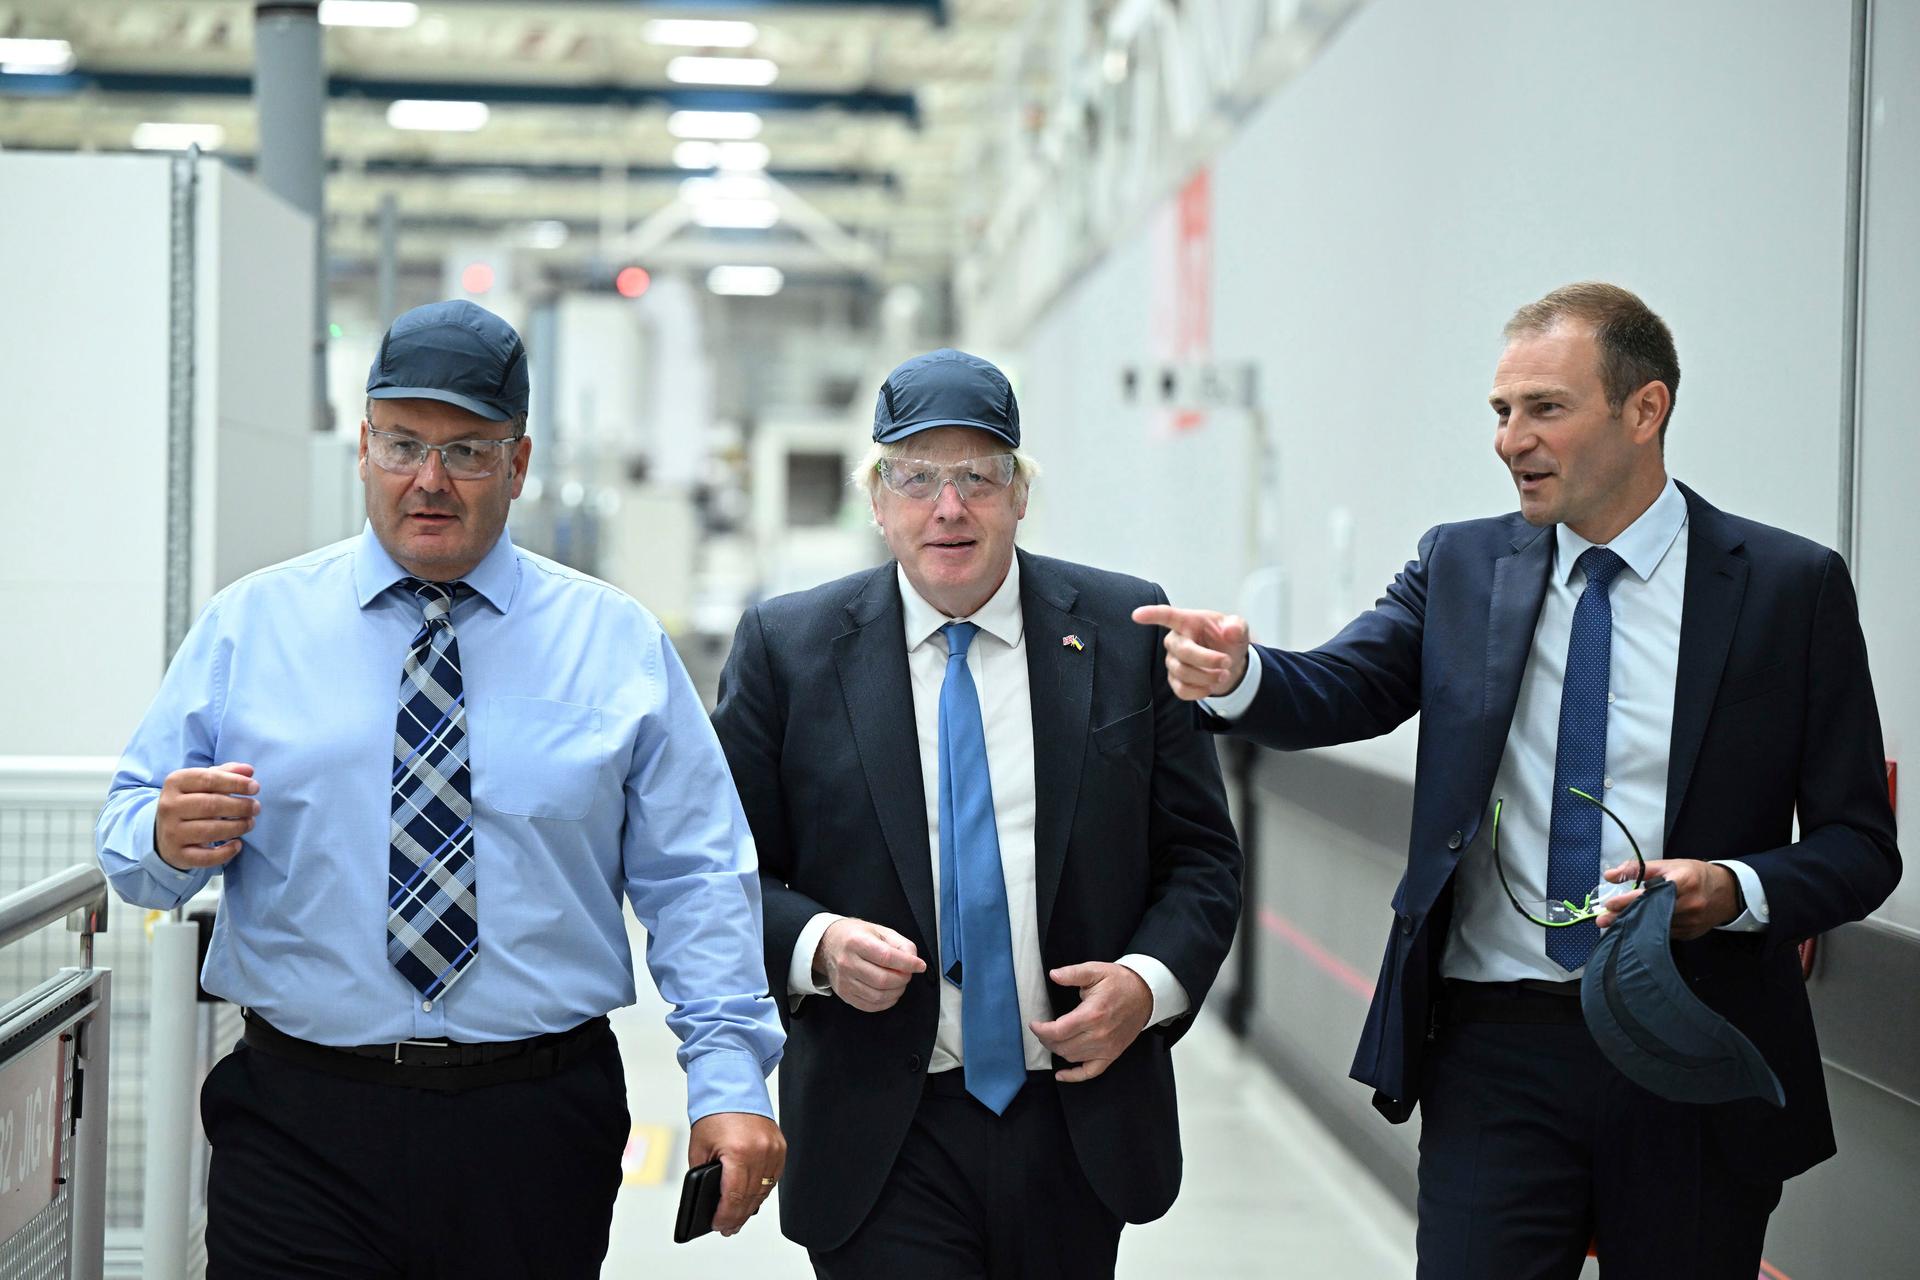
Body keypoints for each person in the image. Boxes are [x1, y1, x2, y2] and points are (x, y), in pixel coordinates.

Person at [1137, 282, 1901, 1279]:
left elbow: (1858, 844)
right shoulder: (1463, 565)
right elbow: (1347, 682)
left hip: (1690, 1037)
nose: (1510, 439)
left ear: (1645, 408)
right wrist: (1243, 676)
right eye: (1501, 412)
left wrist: (1733, 888)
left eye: (1545, 407)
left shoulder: (1785, 589)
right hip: (1494, 1045)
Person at [95, 300, 786, 1278]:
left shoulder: (614, 645)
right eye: (402, 443)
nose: (428, 478)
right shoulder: (253, 625)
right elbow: (129, 837)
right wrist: (162, 835)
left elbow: (699, 877)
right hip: (302, 1119)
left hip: (534, 1124)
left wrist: (728, 1077)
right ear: (365, 448)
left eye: (465, 449)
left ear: (518, 461)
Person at [710, 349, 1243, 1278]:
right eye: (917, 478)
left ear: (1019, 494)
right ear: (878, 499)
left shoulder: (1123, 629)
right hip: (883, 1126)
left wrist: (1148, 986)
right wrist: (819, 945)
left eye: (977, 478)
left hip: (1076, 1118)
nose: (948, 508)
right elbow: (722, 875)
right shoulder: (788, 651)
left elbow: (1202, 858)